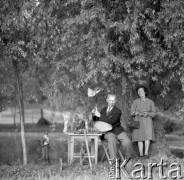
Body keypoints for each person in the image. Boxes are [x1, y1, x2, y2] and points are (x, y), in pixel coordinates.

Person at [92, 94, 132, 160]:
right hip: (107, 132)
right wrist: (94, 114)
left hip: (118, 130)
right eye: (110, 100)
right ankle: (114, 160)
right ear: (107, 100)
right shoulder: (103, 110)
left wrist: (100, 115)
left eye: (113, 101)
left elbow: (111, 121)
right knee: (112, 139)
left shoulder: (118, 111)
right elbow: (99, 121)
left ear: (115, 101)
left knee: (127, 141)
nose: (111, 102)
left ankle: (128, 158)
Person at [131, 85, 156, 157]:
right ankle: (141, 154)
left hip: (147, 120)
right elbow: (131, 112)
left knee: (147, 137)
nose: (140, 92)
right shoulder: (135, 102)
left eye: (141, 91)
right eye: (138, 91)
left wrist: (147, 113)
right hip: (138, 120)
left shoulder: (151, 102)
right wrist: (136, 113)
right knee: (139, 137)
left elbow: (154, 113)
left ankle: (146, 153)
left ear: (145, 92)